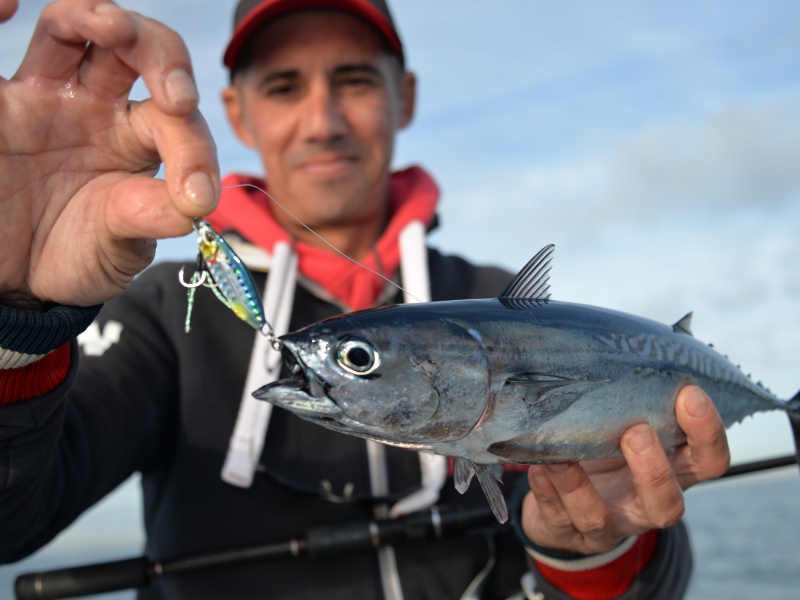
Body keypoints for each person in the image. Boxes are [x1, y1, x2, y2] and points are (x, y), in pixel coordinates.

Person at [0, 1, 731, 598]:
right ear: (238, 110)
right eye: (285, 87)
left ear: (403, 95)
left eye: (351, 80)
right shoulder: (172, 308)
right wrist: (20, 314)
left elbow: (662, 582)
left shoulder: (500, 305)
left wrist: (589, 550)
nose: (323, 121)